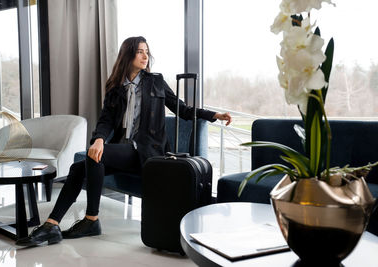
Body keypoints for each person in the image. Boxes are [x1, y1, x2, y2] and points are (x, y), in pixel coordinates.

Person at [16, 36, 232, 247]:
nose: (145, 56)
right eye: (140, 51)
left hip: (149, 152)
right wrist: (99, 139)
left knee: (94, 158)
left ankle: (91, 219)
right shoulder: (115, 87)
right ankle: (52, 225)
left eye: (147, 51)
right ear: (128, 54)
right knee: (78, 167)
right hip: (125, 149)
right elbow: (105, 120)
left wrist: (214, 115)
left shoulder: (155, 82)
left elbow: (182, 109)